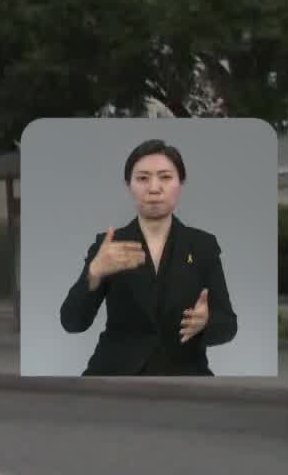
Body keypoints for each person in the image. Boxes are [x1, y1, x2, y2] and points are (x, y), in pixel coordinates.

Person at [59, 138, 238, 375]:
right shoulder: (109, 246)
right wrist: (94, 274)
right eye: (142, 178)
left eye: (165, 177)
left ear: (180, 183)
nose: (154, 188)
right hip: (115, 373)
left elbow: (228, 324)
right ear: (129, 185)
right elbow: (72, 322)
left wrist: (206, 323)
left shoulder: (203, 245)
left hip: (185, 373)